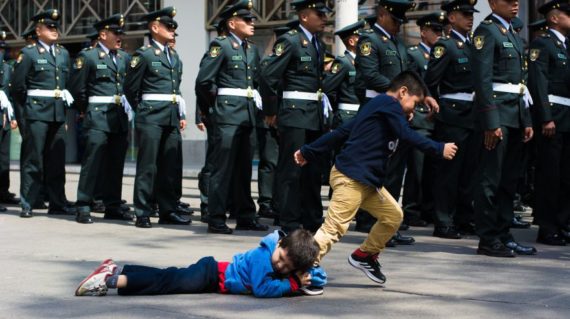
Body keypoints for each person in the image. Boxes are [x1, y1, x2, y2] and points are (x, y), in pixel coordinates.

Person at [294, 71, 457, 285]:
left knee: (393, 215)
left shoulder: (379, 107)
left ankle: (365, 255)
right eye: (414, 104)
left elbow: (343, 131)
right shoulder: (387, 104)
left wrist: (308, 151)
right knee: (334, 228)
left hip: (367, 181)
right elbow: (406, 135)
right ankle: (300, 270)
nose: (413, 111)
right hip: (351, 177)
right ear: (403, 92)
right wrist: (438, 148)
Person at [354, 0, 427, 246]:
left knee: (394, 169)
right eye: (395, 20)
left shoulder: (397, 43)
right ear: (383, 14)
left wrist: (418, 96)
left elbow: (408, 75)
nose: (398, 25)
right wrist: (401, 96)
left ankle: (387, 223)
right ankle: (367, 219)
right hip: (378, 110)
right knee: (374, 165)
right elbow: (370, 75)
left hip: (396, 110)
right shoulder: (369, 40)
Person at [75, 229, 325, 297]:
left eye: (287, 267)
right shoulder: (263, 256)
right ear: (279, 245)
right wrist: (292, 283)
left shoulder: (278, 257)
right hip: (210, 274)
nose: (280, 267)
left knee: (168, 276)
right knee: (168, 282)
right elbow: (261, 289)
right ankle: (110, 281)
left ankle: (118, 270)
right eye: (281, 259)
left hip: (211, 278)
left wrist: (305, 273)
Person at [195, 0, 268, 234]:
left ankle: (245, 215)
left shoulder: (251, 49)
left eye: (252, 19)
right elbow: (204, 82)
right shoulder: (221, 45)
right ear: (232, 23)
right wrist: (213, 110)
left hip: (247, 115)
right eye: (247, 20)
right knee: (222, 168)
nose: (252, 23)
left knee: (243, 168)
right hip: (227, 115)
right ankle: (216, 217)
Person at [260, 0, 332, 234]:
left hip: (313, 114)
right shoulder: (290, 41)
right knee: (292, 168)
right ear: (303, 16)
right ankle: (289, 219)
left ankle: (311, 217)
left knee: (313, 169)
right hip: (294, 113)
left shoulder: (317, 44)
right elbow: (269, 76)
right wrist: (271, 111)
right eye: (318, 14)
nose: (324, 18)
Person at [471, 0, 536, 257]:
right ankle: (488, 238)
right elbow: (483, 80)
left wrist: (527, 120)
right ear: (493, 3)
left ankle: (503, 233)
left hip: (515, 114)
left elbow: (521, 83)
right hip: (497, 115)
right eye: (508, 1)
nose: (515, 4)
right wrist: (491, 122)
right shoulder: (486, 32)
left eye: (517, 0)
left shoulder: (512, 33)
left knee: (509, 181)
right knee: (490, 179)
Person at [124, 7, 188, 228]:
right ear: (154, 28)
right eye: (168, 26)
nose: (172, 30)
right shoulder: (144, 55)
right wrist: (141, 109)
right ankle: (142, 211)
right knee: (148, 166)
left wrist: (179, 112)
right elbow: (130, 88)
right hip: (151, 115)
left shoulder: (174, 57)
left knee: (170, 165)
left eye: (173, 27)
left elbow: (175, 88)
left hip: (170, 115)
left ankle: (168, 210)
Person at [10, 9, 75, 218]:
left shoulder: (63, 53)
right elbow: (18, 88)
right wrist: (27, 113)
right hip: (36, 112)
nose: (55, 30)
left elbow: (66, 85)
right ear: (38, 31)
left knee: (56, 160)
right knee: (33, 159)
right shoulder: (28, 54)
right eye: (49, 27)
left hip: (57, 113)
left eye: (56, 27)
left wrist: (63, 114)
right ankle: (28, 202)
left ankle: (57, 202)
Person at [69, 14, 132, 224]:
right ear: (103, 34)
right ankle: (84, 205)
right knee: (93, 162)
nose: (119, 37)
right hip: (98, 115)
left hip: (119, 116)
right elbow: (78, 89)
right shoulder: (88, 57)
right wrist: (87, 110)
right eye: (116, 33)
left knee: (116, 163)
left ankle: (112, 204)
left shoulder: (124, 57)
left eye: (121, 33)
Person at [424, 0, 479, 239]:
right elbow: (430, 80)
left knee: (469, 171)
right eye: (464, 14)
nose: (470, 18)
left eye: (471, 14)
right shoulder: (445, 46)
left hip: (473, 114)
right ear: (452, 18)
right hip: (453, 114)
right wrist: (434, 104)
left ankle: (464, 218)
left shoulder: (473, 45)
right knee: (449, 172)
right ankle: (443, 221)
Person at [528, 0, 570, 246]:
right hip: (553, 117)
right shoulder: (542, 44)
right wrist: (545, 117)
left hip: (568, 118)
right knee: (549, 176)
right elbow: (538, 84)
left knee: (566, 176)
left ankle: (563, 224)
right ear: (554, 17)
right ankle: (547, 227)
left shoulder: (566, 46)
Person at [400, 11, 447, 228]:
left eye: (441, 30)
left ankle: (428, 208)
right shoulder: (414, 54)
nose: (439, 34)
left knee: (433, 168)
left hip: (438, 117)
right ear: (423, 31)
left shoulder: (443, 52)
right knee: (417, 168)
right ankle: (411, 210)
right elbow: (412, 85)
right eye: (434, 30)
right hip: (420, 116)